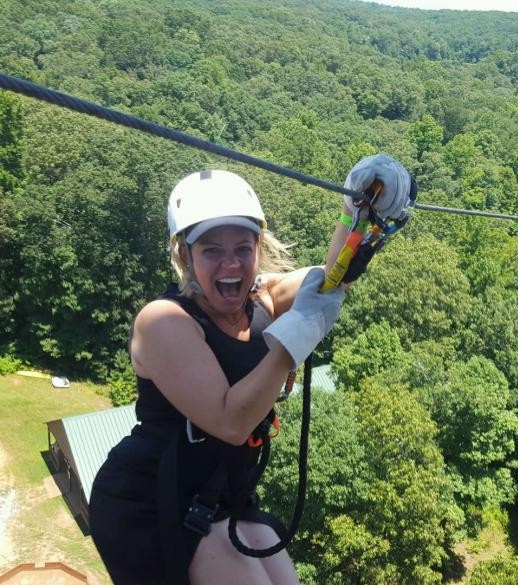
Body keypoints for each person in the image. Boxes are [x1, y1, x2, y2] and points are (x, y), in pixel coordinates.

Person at [88, 155, 413, 585]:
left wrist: (357, 215)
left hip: (218, 492)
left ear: (259, 248)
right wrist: (296, 336)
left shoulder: (261, 302)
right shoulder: (162, 322)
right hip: (150, 498)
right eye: (212, 252)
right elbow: (231, 420)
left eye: (243, 249)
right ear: (185, 257)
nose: (231, 265)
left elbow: (331, 281)